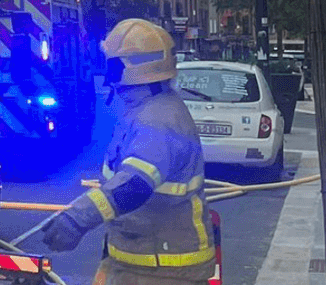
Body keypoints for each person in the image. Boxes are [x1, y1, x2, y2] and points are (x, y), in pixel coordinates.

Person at [40, 18, 217, 284]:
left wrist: (77, 219)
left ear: (127, 67)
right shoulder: (144, 110)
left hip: (164, 269)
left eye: (111, 63)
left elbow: (134, 185)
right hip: (139, 261)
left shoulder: (160, 118)